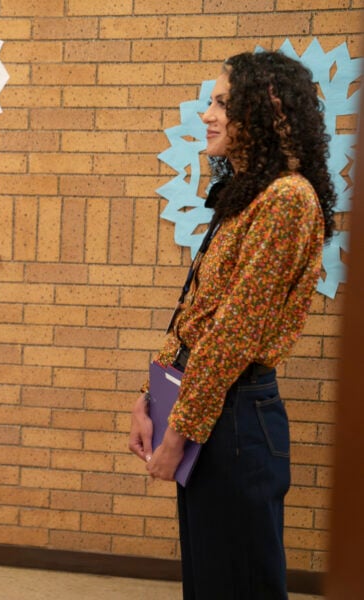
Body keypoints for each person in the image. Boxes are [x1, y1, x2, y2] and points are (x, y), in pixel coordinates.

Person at [128, 51, 336, 599]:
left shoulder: (288, 199)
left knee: (238, 583)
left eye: (222, 101)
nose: (208, 113)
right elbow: (198, 310)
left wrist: (180, 429)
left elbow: (233, 334)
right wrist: (148, 398)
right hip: (207, 405)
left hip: (235, 418)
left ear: (267, 112)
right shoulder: (248, 197)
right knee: (210, 581)